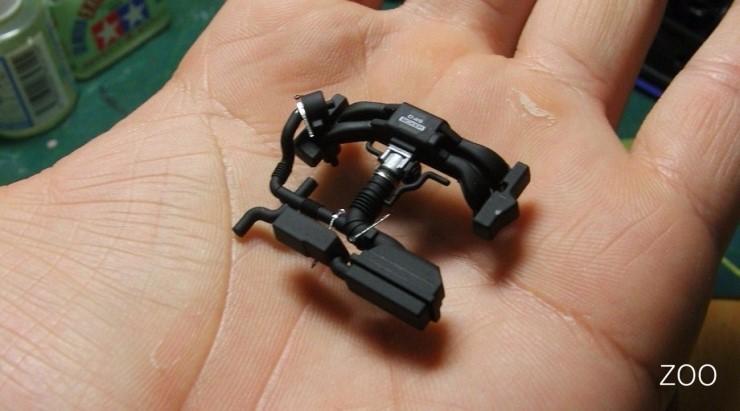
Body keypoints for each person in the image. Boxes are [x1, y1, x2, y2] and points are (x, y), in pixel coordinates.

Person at [0, 0, 737, 409]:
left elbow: (470, 172)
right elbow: (300, 175)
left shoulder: (448, 166)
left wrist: (483, 197)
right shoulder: (354, 143)